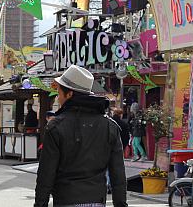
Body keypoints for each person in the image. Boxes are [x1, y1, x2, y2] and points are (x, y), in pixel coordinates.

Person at [35, 65, 127, 207]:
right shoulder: (110, 126)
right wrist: (120, 204)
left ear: (69, 94)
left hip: (65, 200)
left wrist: (40, 204)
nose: (58, 99)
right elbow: (118, 173)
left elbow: (46, 174)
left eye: (59, 94)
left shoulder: (56, 127)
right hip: (97, 201)